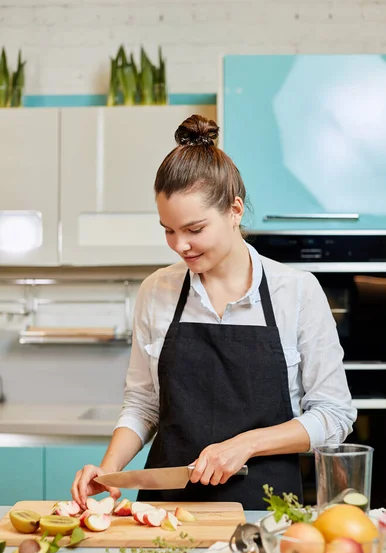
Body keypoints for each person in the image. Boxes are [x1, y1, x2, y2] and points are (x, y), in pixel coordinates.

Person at [71, 114, 356, 511]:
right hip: (165, 508)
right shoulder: (158, 291)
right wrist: (107, 471)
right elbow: (142, 404)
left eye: (194, 229)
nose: (179, 245)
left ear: (234, 210)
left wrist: (246, 444)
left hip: (267, 511)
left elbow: (334, 415)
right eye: (168, 230)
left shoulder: (296, 292)